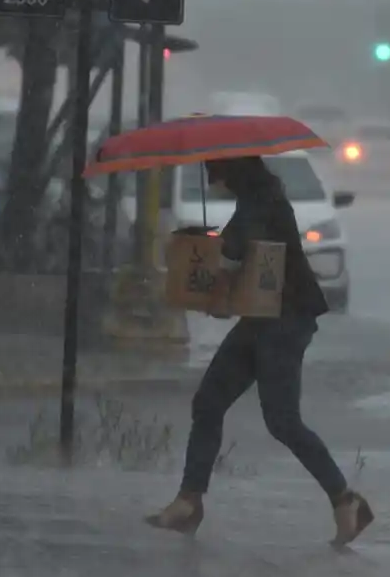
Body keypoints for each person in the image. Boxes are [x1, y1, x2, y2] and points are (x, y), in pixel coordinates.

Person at [145, 156, 374, 546]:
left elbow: (236, 249)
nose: (212, 181)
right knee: (209, 402)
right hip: (259, 320)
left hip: (286, 321)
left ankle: (346, 500)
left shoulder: (264, 200)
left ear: (231, 171)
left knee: (282, 421)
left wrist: (216, 278)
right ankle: (189, 501)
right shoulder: (254, 199)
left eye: (214, 173)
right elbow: (237, 250)